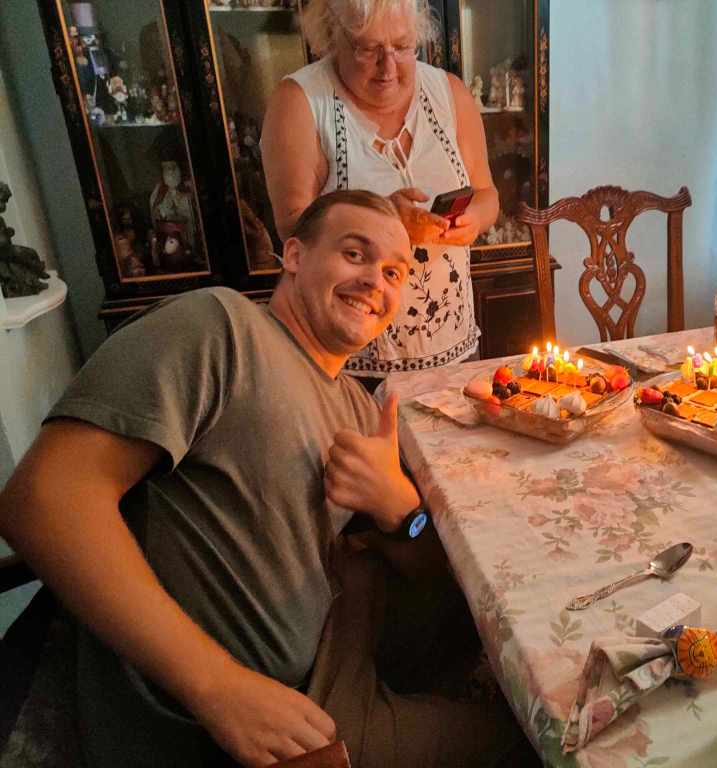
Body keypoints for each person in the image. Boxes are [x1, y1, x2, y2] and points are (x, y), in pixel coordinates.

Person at [0, 190, 527, 768]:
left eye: (394, 272)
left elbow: (424, 562)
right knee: (531, 743)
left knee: (513, 656)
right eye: (354, 254)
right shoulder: (220, 327)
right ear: (294, 255)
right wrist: (216, 684)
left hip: (338, 651)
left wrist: (401, 508)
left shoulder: (359, 407)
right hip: (252, 718)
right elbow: (44, 498)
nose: (374, 281)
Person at [262, 0, 498, 385]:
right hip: (350, 364)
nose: (388, 67)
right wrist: (384, 221)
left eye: (403, 46)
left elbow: (487, 194)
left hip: (452, 349)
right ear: (333, 36)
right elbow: (293, 225)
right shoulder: (300, 100)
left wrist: (473, 220)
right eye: (368, 49)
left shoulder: (449, 92)